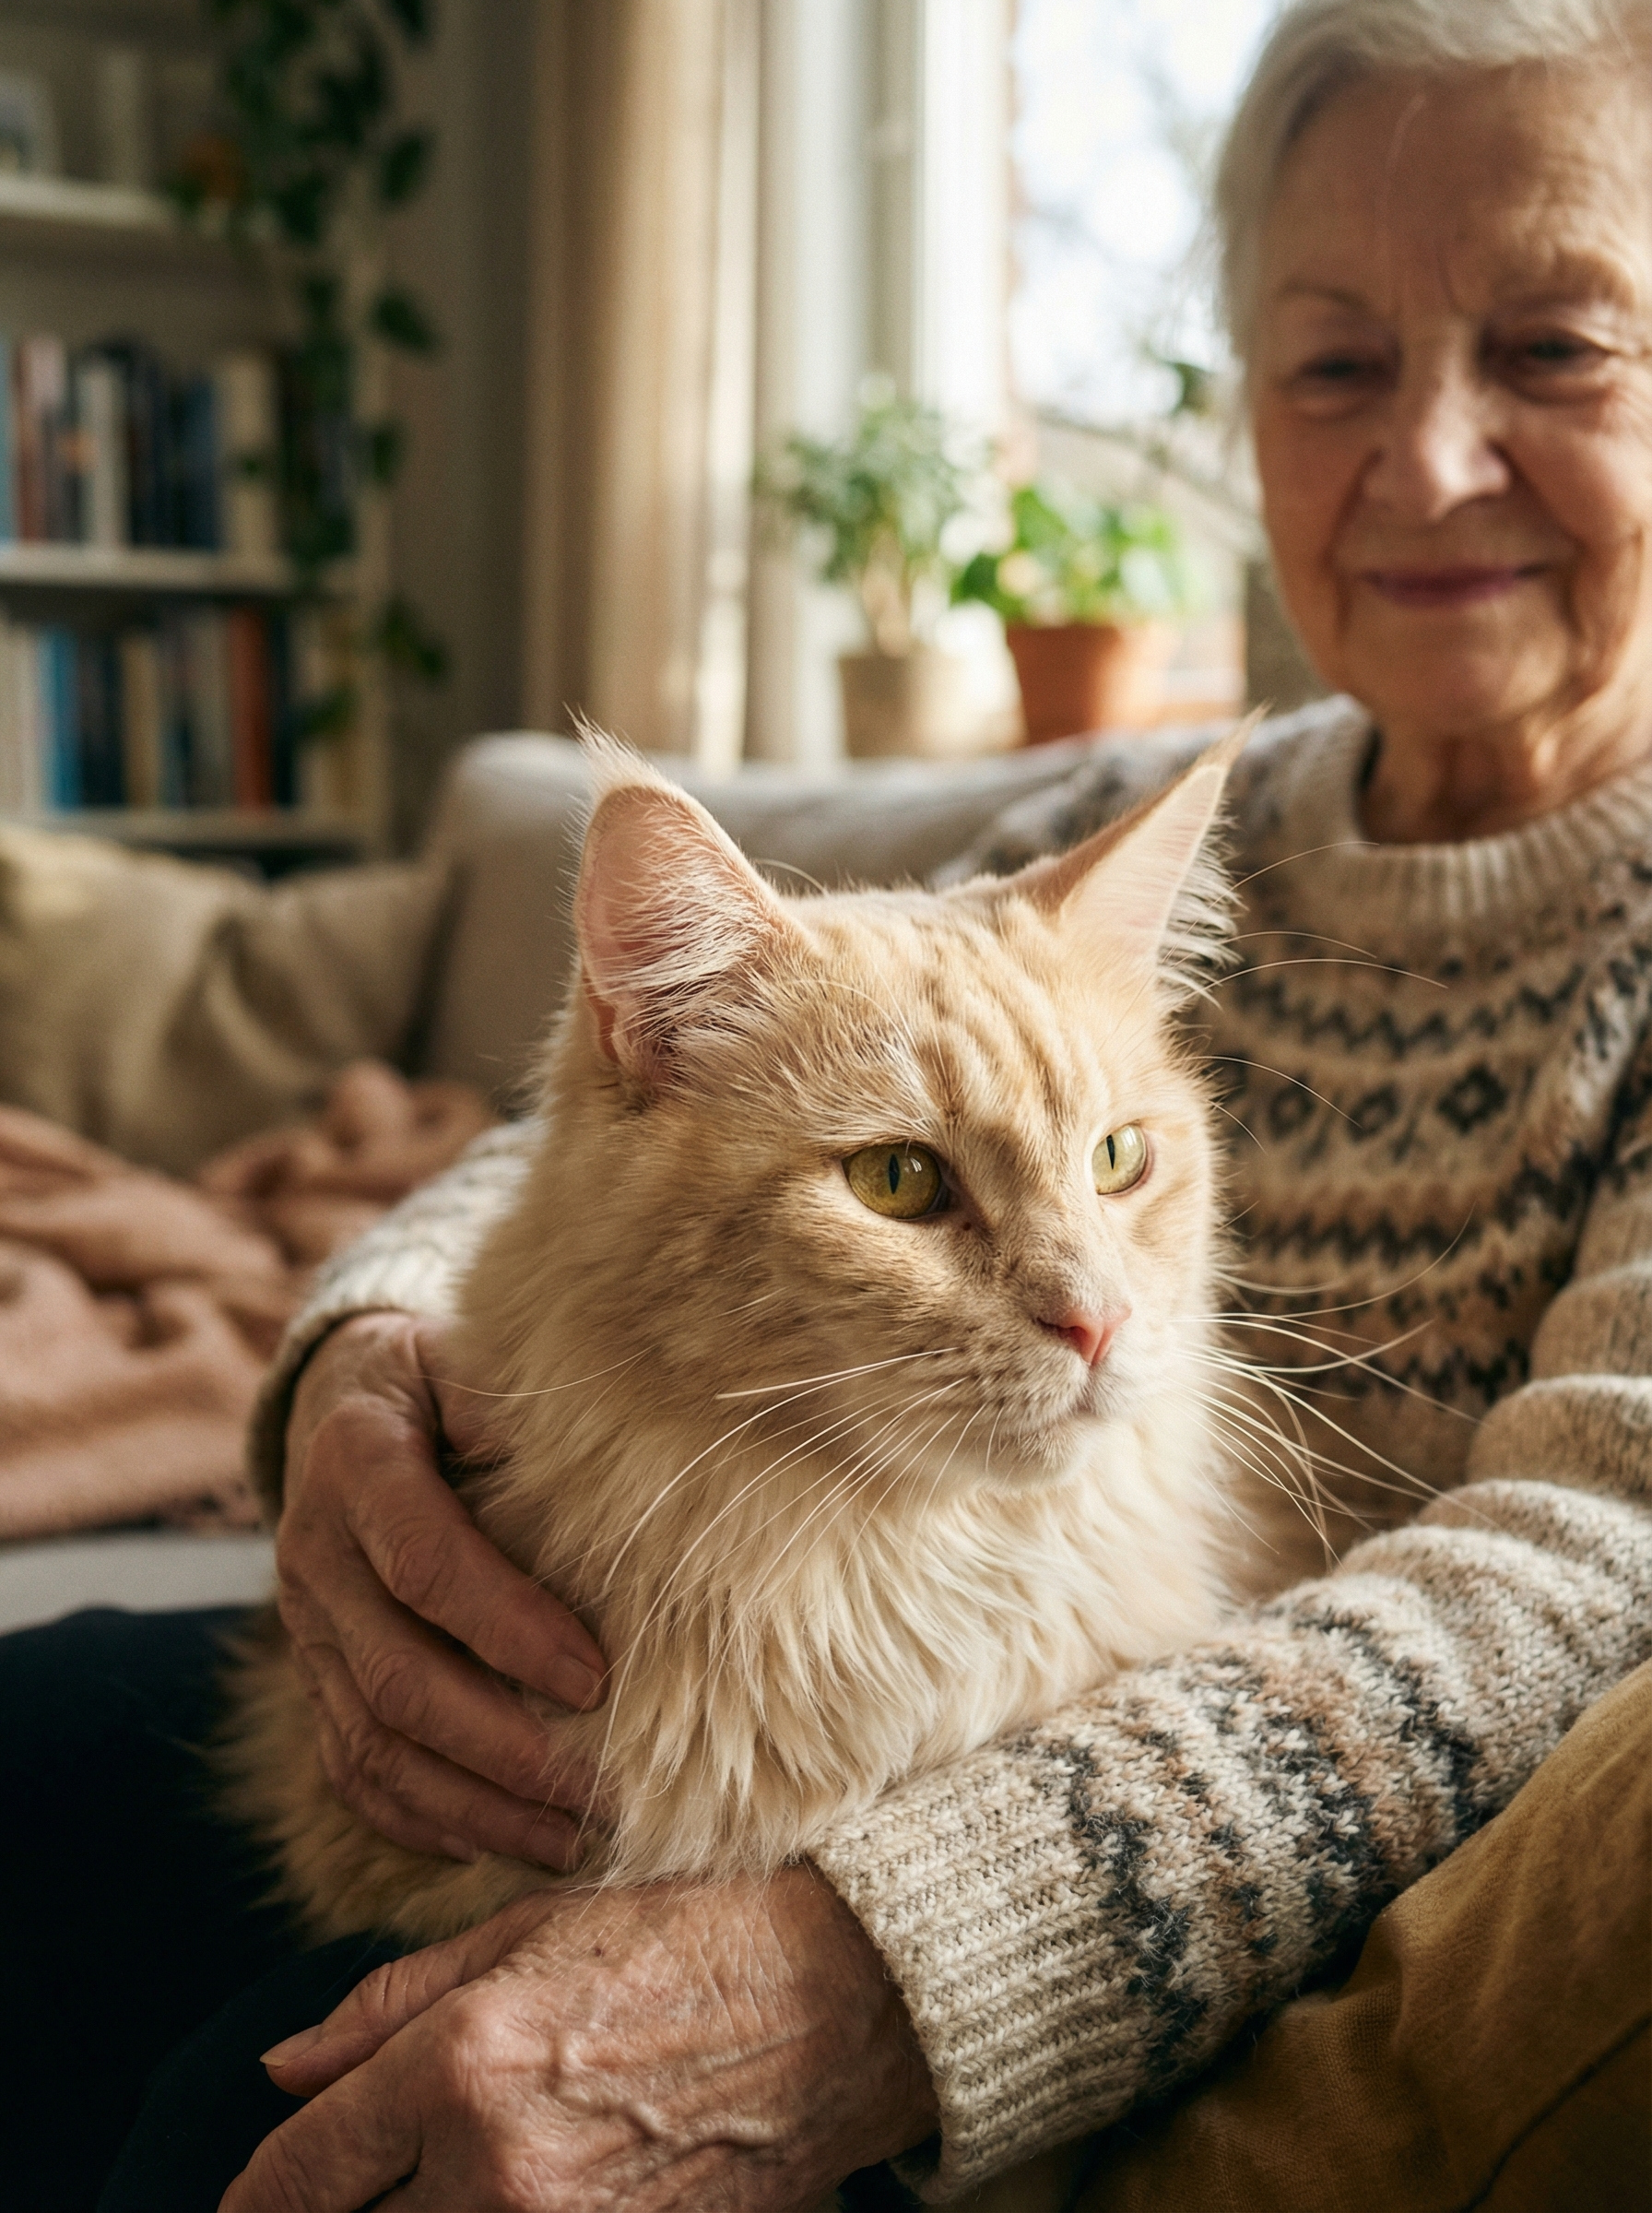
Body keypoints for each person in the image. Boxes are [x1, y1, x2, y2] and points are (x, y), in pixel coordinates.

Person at [6, 0, 1649, 2206]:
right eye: (1334, 362)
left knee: (260, 2127)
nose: (1426, 459)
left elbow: (1585, 1571)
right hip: (664, 1663)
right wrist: (367, 1368)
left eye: (1551, 351)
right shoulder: (1123, 818)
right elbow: (614, 1112)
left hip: (1101, 1850)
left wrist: (890, 1967)